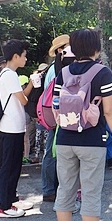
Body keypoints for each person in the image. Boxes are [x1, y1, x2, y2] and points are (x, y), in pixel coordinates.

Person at [53, 28, 112, 221]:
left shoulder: (62, 73)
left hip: (64, 138)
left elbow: (55, 107)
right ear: (96, 48)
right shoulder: (102, 72)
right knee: (91, 192)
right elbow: (109, 111)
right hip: (92, 139)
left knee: (65, 189)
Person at [0, 39, 35, 218]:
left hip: (15, 128)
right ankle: (3, 206)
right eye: (24, 56)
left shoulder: (10, 74)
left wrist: (30, 84)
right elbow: (24, 100)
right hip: (9, 129)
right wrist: (32, 85)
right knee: (8, 168)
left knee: (14, 166)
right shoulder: (9, 75)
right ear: (16, 56)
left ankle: (12, 199)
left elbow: (21, 98)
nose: (26, 59)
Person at [42, 34, 70, 202]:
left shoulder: (57, 67)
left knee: (54, 151)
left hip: (56, 114)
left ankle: (52, 188)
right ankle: (49, 189)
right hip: (57, 115)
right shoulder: (56, 69)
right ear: (60, 50)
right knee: (52, 152)